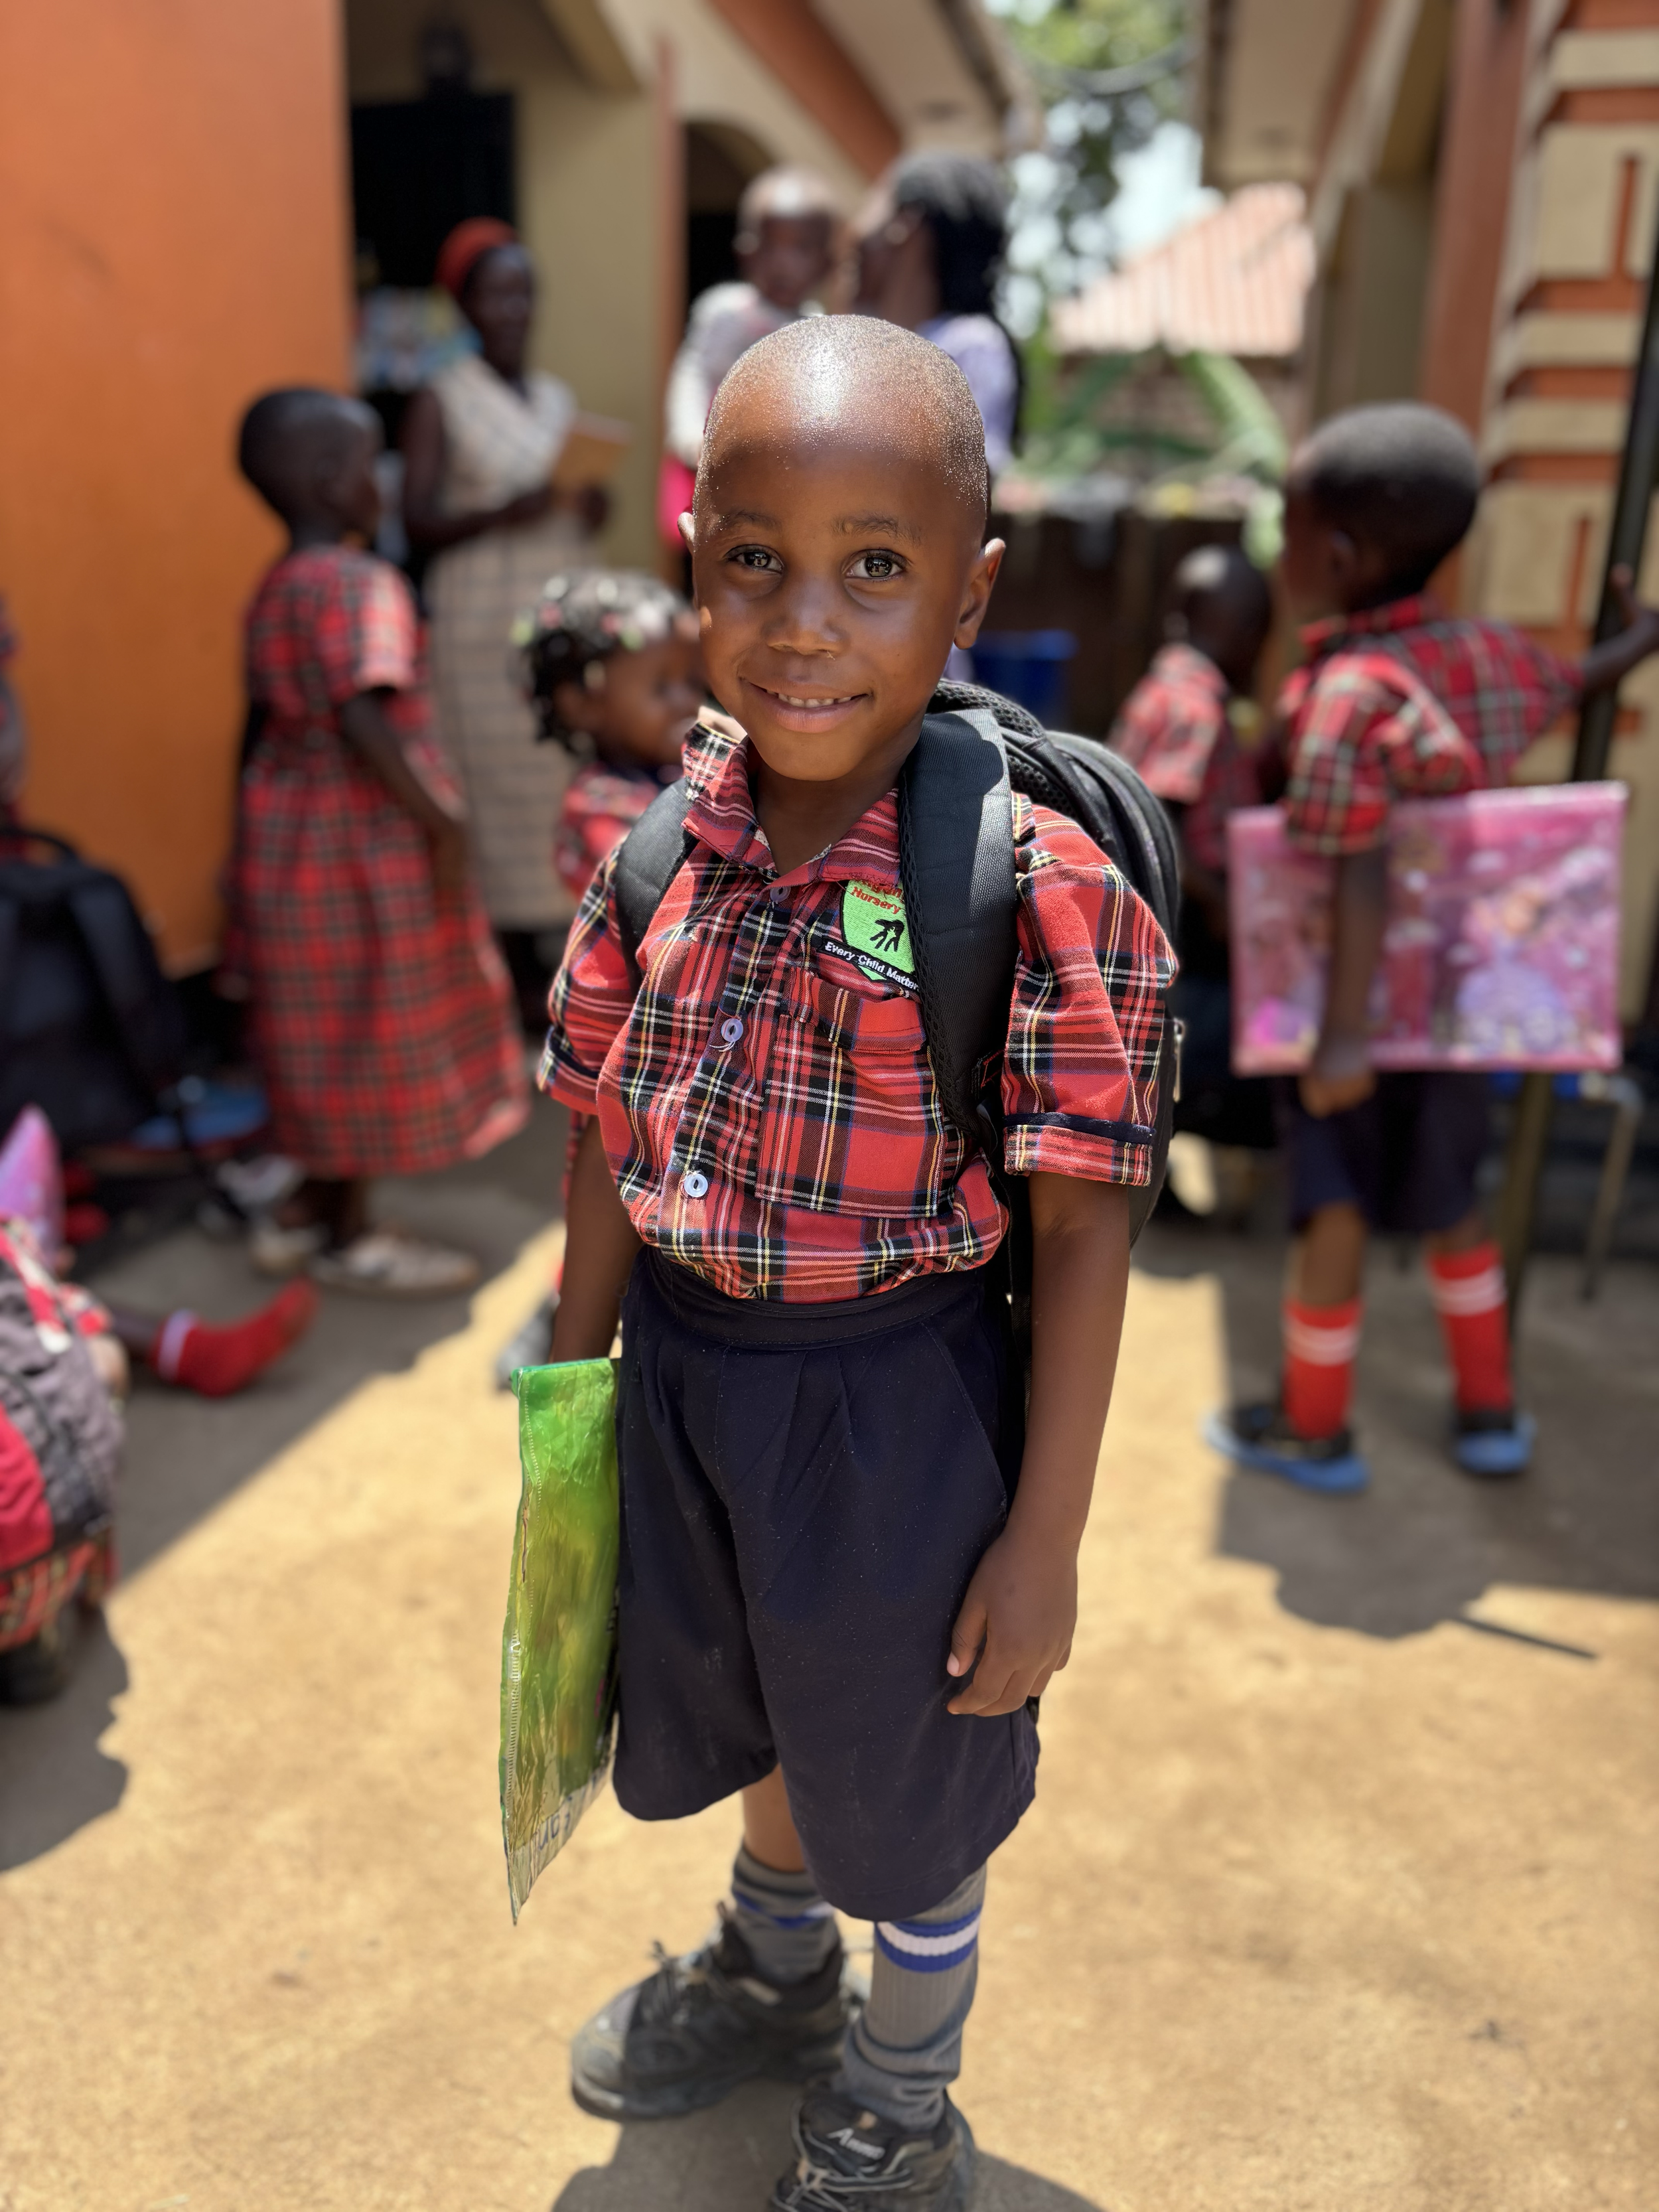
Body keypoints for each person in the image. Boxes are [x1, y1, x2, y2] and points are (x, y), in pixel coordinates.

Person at [540, 317, 1172, 2210]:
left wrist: (1043, 1534)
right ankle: (776, 1961)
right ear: (694, 555)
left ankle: (901, 2084)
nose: (804, 619)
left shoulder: (1025, 879)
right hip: (685, 1377)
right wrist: (572, 1410)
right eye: (757, 560)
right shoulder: (658, 850)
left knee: (904, 1763)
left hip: (895, 1404)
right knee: (745, 1694)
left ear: (967, 593)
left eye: (874, 567)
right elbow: (598, 1127)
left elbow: (1082, 1217)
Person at [1207, 402, 1659, 1491]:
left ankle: (1315, 1424)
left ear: (1341, 554)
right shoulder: (1490, 655)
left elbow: (1356, 866)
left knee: (1335, 1210)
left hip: (1345, 1019)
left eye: (1291, 526)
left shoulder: (1339, 701)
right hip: (1461, 1009)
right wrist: (1638, 638)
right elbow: (1571, 682)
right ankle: (1490, 1411)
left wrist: (1344, 1039)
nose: (1281, 547)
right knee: (1456, 1203)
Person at [226, 387, 527, 1295]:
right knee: (368, 1030)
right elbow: (364, 711)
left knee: (320, 1031)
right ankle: (351, 1234)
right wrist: (445, 820)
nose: (384, 482)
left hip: (286, 842)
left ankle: (306, 1207)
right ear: (328, 482)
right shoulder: (362, 584)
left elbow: (253, 729)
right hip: (361, 848)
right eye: (369, 465)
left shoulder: (276, 586)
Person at [494, 569, 705, 1380]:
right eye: (660, 686)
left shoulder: (670, 777)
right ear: (583, 706)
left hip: (689, 1048)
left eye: (692, 679)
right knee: (616, 1195)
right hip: (631, 1059)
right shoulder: (604, 806)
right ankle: (561, 1324)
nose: (686, 701)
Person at [402, 220, 606, 1019]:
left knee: (556, 770)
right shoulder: (440, 397)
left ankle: (563, 959)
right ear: (466, 305)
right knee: (491, 777)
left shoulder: (556, 399)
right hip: (480, 617)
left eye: (524, 291)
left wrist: (588, 503)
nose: (513, 308)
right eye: (495, 293)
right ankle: (506, 970)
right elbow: (413, 520)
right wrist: (503, 512)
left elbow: (568, 505)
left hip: (552, 606)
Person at [1111, 543, 1277, 1162]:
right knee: (1183, 1048)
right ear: (1246, 633)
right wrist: (1218, 898)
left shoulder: (1163, 686)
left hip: (1161, 906)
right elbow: (1159, 818)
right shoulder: (1196, 705)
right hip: (1177, 917)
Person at [661, 166, 841, 545]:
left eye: (801, 249)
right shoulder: (726, 311)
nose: (783, 263)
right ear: (746, 251)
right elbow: (694, 371)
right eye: (770, 246)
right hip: (719, 461)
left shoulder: (819, 328)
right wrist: (689, 433)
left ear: (825, 263)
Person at [853, 153, 1019, 474]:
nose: (856, 227)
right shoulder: (861, 344)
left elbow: (965, 480)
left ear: (907, 225)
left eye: (873, 202)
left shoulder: (970, 345)